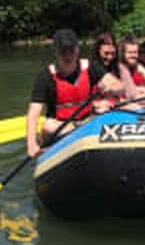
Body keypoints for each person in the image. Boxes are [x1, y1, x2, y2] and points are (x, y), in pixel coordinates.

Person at [26, 29, 124, 158]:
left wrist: (111, 88)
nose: (68, 56)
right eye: (63, 51)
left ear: (77, 50)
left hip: (87, 121)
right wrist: (31, 144)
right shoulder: (45, 77)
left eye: (71, 50)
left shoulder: (89, 67)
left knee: (108, 110)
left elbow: (118, 86)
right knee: (48, 126)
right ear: (55, 51)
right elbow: (34, 111)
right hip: (61, 127)